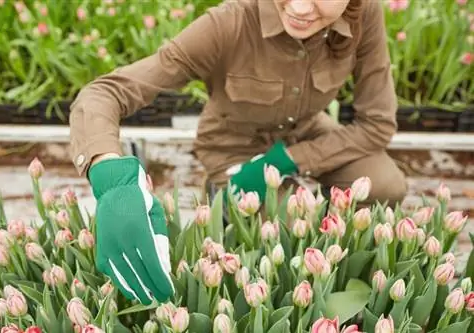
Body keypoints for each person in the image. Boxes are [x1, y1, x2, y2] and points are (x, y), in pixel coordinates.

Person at [69, 0, 408, 305]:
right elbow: (106, 92)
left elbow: (377, 124)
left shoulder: (363, 13)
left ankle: (330, 239)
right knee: (290, 236)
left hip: (303, 132)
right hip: (233, 147)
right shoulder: (228, 24)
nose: (302, 8)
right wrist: (111, 177)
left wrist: (287, 161)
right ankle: (225, 199)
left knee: (386, 185)